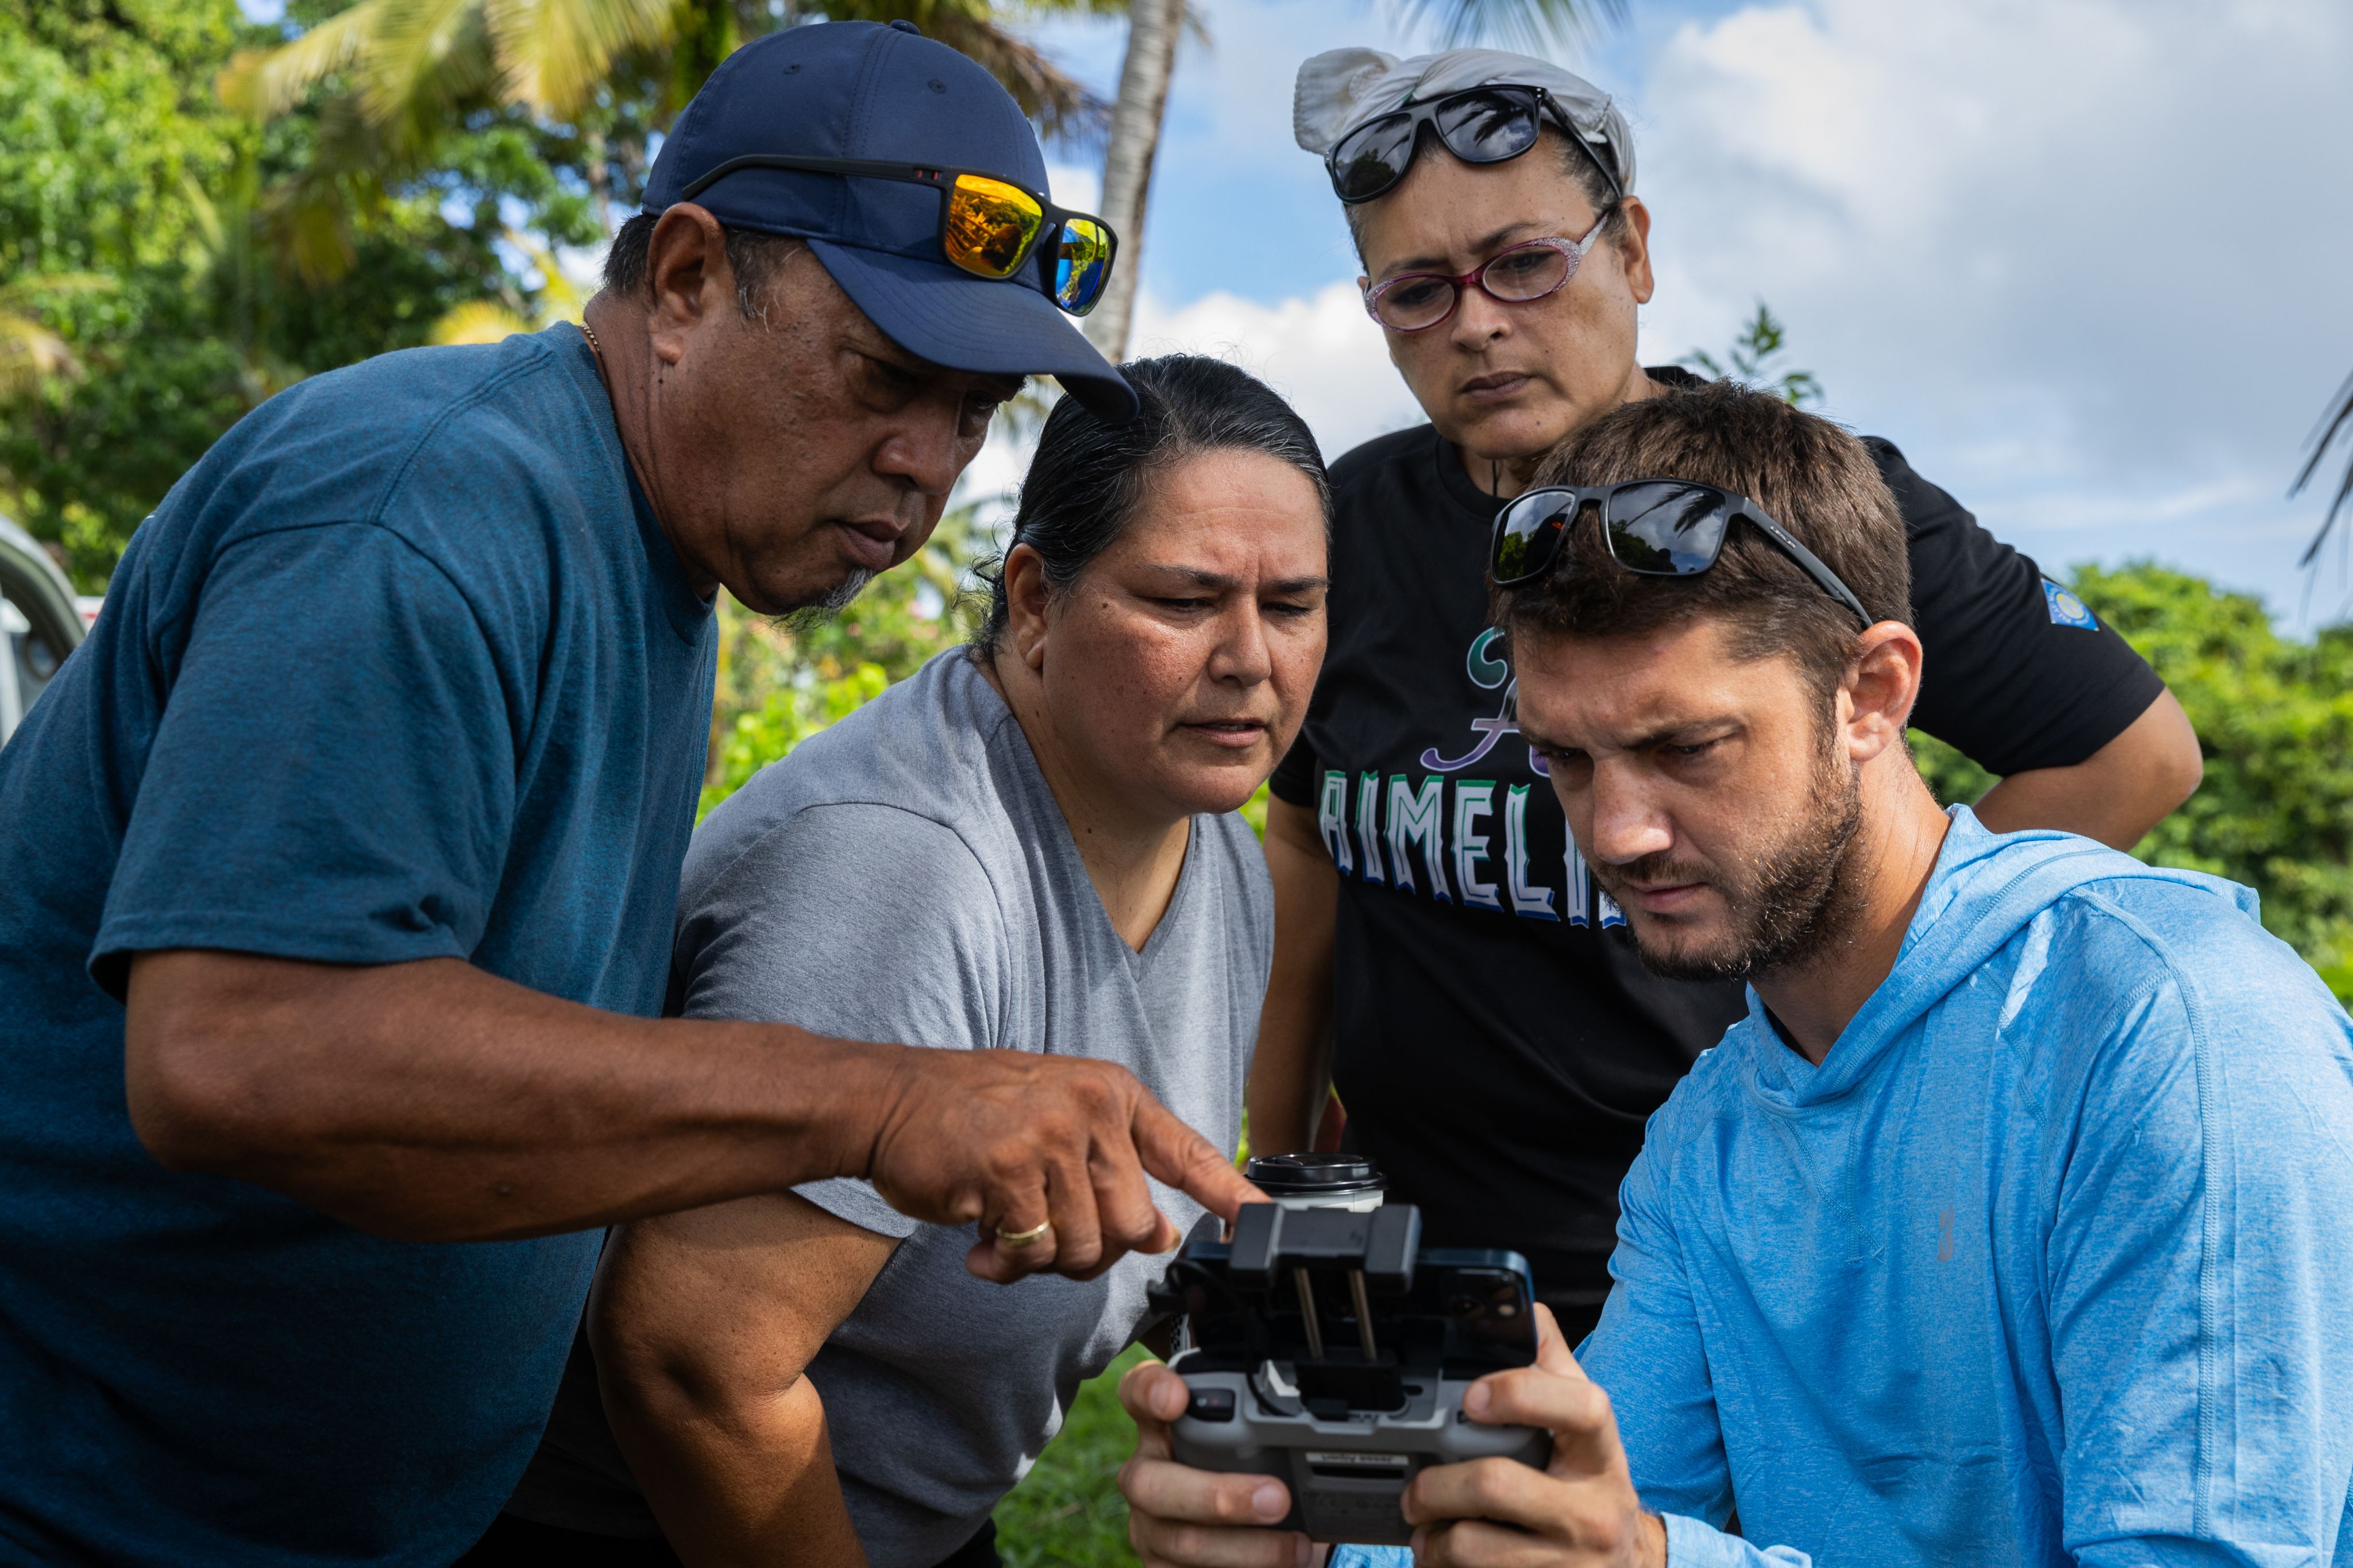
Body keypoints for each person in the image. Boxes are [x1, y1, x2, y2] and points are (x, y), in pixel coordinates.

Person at [0, 25, 1259, 1567]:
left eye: (973, 414)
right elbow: (235, 1050)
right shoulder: (425, 513)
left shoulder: (660, 552)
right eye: (882, 376)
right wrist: (880, 1101)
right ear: (681, 282)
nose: (924, 465)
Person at [1119, 383, 2353, 1567]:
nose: (1614, 832)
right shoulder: (1709, 1132)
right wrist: (1315, 1543)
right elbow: (1574, 1522)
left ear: (1871, 691)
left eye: (1685, 747)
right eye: (1566, 760)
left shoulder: (2171, 1031)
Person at [1248, 45, 2208, 1341]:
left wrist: (1874, 993)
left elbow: (2132, 757)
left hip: (1734, 1273)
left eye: (1526, 264)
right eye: (1418, 290)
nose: (1477, 322)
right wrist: (1284, 1196)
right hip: (1411, 1268)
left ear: (1630, 251)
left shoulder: (1799, 508)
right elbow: (1304, 866)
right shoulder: (1337, 528)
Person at [483, 354, 1329, 1567]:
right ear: (1033, 602)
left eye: (1290, 605)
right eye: (1186, 601)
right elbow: (692, 1366)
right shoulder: (902, 871)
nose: (1250, 658)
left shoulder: (1220, 860)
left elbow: (1129, 1221)